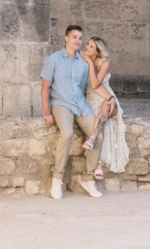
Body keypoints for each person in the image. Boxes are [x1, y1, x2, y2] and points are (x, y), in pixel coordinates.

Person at [40, 24, 103, 200]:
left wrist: (110, 101)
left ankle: (88, 180)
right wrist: (47, 112)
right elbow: (45, 87)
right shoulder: (54, 59)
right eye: (74, 37)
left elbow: (94, 85)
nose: (78, 41)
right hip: (61, 104)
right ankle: (57, 179)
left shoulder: (84, 61)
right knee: (66, 133)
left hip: (80, 105)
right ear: (66, 38)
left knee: (97, 136)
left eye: (80, 38)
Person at [82, 36, 129, 178]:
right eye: (87, 45)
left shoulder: (104, 63)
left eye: (91, 47)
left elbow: (96, 84)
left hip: (108, 99)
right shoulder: (82, 60)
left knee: (106, 105)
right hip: (91, 101)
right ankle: (99, 163)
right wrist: (89, 63)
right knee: (101, 112)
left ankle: (92, 138)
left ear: (98, 51)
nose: (86, 48)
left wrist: (91, 64)